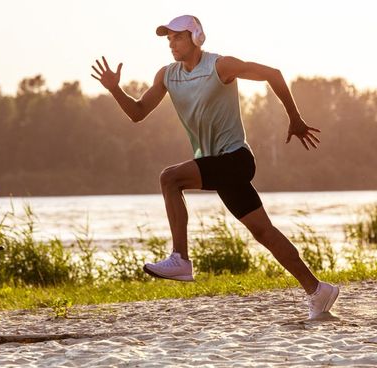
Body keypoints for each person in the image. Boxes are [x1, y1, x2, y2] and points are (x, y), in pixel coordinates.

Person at [91, 15, 339, 319]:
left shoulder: (220, 66)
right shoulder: (168, 75)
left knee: (169, 179)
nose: (171, 43)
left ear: (196, 38)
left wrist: (295, 118)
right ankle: (317, 289)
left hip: (235, 159)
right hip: (218, 165)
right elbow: (138, 112)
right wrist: (115, 89)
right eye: (168, 38)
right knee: (264, 232)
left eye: (178, 37)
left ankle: (180, 258)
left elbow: (273, 74)